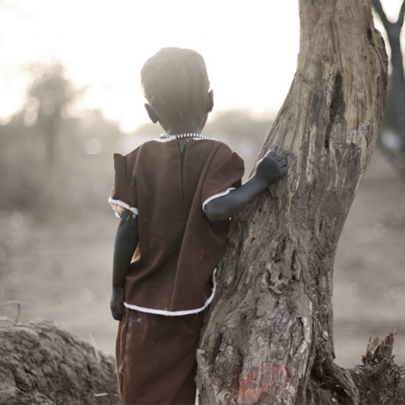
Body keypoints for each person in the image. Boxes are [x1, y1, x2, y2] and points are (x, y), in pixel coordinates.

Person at [108, 47, 288, 405]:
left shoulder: (138, 160)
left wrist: (116, 288)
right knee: (181, 389)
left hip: (141, 305)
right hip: (195, 303)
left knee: (139, 389)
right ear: (210, 99)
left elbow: (127, 229)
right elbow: (218, 209)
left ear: (150, 112)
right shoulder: (219, 156)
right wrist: (260, 180)